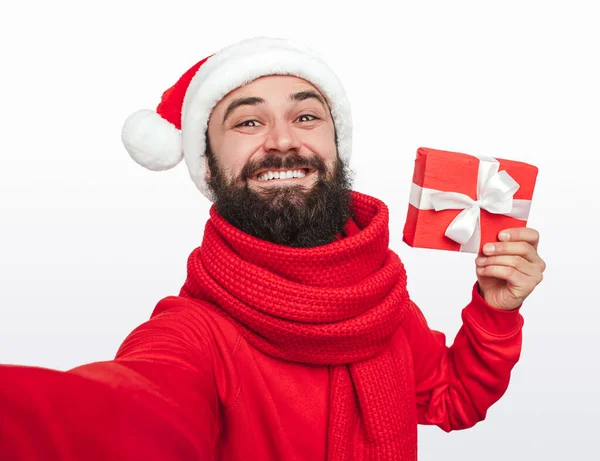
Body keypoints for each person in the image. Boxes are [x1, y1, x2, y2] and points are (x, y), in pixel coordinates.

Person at [0, 37, 546, 461]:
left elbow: (451, 398)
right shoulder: (191, 334)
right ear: (209, 166)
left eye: (306, 116)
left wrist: (495, 315)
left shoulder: (381, 302)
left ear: (336, 147)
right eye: (248, 121)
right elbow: (127, 414)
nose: (284, 140)